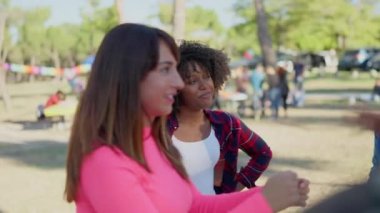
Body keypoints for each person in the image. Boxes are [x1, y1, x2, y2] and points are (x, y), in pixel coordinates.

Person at [64, 23, 309, 212]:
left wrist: (267, 194)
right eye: (166, 70)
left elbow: (196, 206)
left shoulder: (156, 142)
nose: (178, 82)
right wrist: (264, 204)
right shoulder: (104, 160)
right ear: (129, 76)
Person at [167, 41, 272, 195]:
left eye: (207, 77)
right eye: (193, 81)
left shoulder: (226, 123)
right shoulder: (159, 127)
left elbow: (263, 153)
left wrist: (234, 189)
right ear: (175, 87)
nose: (204, 85)